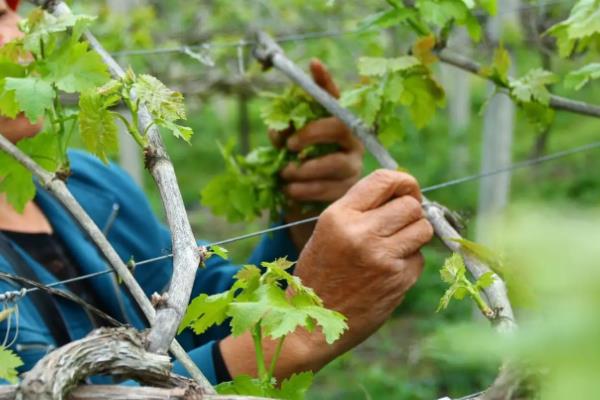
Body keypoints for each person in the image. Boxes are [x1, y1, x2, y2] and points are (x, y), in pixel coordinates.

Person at [0, 0, 434, 386]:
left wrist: (305, 218)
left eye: (6, 12)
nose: (14, 38)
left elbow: (197, 309)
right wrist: (296, 334)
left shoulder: (87, 182)